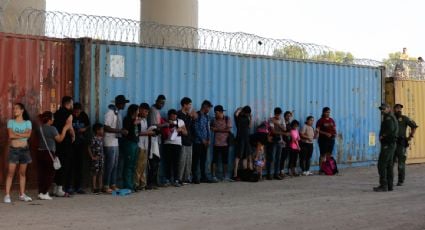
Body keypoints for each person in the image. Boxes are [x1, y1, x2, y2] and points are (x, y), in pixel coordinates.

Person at [37, 111, 72, 200]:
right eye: (52, 118)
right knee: (50, 174)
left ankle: (41, 192)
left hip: (40, 153)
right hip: (49, 153)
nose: (54, 119)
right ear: (49, 120)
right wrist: (65, 129)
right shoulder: (52, 129)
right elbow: (59, 139)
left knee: (42, 174)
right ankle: (44, 193)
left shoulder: (39, 128)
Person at [4, 103, 33, 203]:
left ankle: (22, 194)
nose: (14, 110)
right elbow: (11, 135)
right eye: (14, 108)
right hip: (14, 150)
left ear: (22, 110)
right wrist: (22, 135)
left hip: (24, 150)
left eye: (17, 108)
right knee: (10, 173)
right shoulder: (11, 122)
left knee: (22, 174)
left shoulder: (27, 122)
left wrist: (17, 134)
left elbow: (28, 135)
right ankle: (7, 195)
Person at [103, 95, 129, 193]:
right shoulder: (110, 113)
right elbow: (106, 127)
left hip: (115, 141)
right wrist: (120, 131)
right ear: (120, 104)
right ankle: (106, 185)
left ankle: (113, 184)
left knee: (115, 164)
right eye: (124, 103)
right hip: (109, 141)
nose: (125, 105)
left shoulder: (117, 113)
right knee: (110, 165)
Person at [53, 96, 76, 197]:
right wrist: (73, 135)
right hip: (65, 142)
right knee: (64, 165)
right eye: (72, 103)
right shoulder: (69, 114)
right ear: (69, 103)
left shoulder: (56, 113)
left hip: (57, 141)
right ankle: (60, 189)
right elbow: (69, 127)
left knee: (57, 164)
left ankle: (54, 188)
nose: (72, 105)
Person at [374, 103, 398, 192]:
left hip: (388, 144)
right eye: (381, 109)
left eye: (384, 109)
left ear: (388, 108)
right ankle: (389, 186)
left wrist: (383, 135)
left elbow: (390, 129)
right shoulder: (391, 117)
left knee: (382, 164)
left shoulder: (388, 118)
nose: (382, 111)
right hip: (391, 144)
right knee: (389, 165)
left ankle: (383, 185)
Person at [393, 104, 418, 186]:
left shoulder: (404, 118)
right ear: (394, 109)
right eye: (397, 108)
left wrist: (410, 136)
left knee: (401, 163)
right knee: (390, 163)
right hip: (392, 143)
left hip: (401, 143)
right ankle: (389, 180)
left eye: (400, 108)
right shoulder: (391, 118)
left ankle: (400, 180)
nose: (399, 110)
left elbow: (414, 126)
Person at [163, 109, 187, 186]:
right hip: (168, 143)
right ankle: (168, 179)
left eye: (175, 116)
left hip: (177, 144)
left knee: (176, 162)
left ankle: (176, 179)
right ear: (169, 116)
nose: (173, 117)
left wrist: (181, 130)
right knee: (168, 162)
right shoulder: (165, 121)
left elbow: (186, 133)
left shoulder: (180, 121)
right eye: (172, 116)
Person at [134, 103, 155, 191]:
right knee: (138, 166)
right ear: (141, 110)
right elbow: (137, 133)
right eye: (145, 111)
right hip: (139, 145)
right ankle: (136, 184)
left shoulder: (145, 120)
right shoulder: (137, 120)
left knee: (143, 166)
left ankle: (142, 184)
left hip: (145, 145)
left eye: (147, 112)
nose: (146, 114)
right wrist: (148, 133)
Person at [71, 102, 90, 194]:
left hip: (81, 143)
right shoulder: (70, 115)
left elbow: (88, 125)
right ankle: (70, 186)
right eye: (75, 112)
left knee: (80, 166)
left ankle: (78, 187)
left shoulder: (84, 116)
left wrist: (84, 129)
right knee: (71, 166)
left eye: (78, 112)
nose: (76, 114)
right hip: (71, 144)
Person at [177, 97, 197, 184]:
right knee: (182, 160)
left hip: (189, 140)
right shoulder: (178, 114)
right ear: (184, 105)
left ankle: (186, 178)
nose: (190, 106)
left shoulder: (189, 116)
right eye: (189, 104)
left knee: (189, 161)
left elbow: (191, 128)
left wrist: (192, 118)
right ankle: (179, 178)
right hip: (181, 141)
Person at [210, 105, 232, 182]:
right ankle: (213, 176)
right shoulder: (213, 120)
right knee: (214, 160)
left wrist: (217, 129)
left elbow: (228, 130)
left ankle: (225, 176)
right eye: (215, 113)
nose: (215, 114)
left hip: (225, 143)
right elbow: (211, 128)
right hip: (216, 143)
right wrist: (221, 129)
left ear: (221, 112)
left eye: (216, 113)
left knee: (225, 161)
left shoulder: (227, 119)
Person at [192, 100, 213, 183]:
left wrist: (208, 139)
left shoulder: (206, 117)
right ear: (205, 107)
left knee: (203, 160)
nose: (209, 109)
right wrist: (202, 139)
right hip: (198, 142)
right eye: (209, 108)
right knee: (196, 160)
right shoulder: (198, 115)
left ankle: (203, 176)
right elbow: (196, 129)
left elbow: (208, 129)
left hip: (205, 143)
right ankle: (195, 177)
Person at [122, 104, 140, 191]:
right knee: (128, 164)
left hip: (136, 142)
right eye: (137, 110)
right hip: (129, 143)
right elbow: (126, 131)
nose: (138, 112)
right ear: (133, 111)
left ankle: (132, 183)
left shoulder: (137, 120)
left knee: (133, 164)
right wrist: (133, 123)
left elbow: (138, 132)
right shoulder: (127, 119)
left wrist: (137, 123)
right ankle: (127, 184)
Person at [232, 106, 253, 181]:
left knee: (245, 156)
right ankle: (235, 174)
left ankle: (245, 174)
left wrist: (251, 117)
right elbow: (235, 113)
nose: (248, 115)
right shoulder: (238, 117)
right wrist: (239, 109)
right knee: (238, 156)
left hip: (246, 138)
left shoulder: (247, 117)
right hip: (240, 138)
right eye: (248, 113)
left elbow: (250, 126)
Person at [266, 107, 285, 180]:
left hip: (279, 140)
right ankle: (268, 174)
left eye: (279, 115)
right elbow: (273, 131)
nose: (278, 116)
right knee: (271, 158)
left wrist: (277, 123)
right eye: (276, 115)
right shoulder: (271, 119)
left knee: (278, 158)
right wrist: (282, 131)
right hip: (272, 140)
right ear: (274, 113)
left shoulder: (282, 119)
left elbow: (284, 129)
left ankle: (276, 174)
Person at [316, 107, 336, 172]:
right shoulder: (320, 120)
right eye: (327, 112)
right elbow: (317, 130)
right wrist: (325, 133)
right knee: (322, 154)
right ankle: (321, 169)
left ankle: (328, 168)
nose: (328, 113)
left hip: (331, 139)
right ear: (323, 112)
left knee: (329, 154)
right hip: (323, 140)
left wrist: (335, 133)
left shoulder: (331, 120)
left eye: (329, 112)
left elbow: (334, 128)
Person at [88, 123, 105, 194]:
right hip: (95, 159)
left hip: (101, 159)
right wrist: (92, 156)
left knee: (100, 173)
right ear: (97, 131)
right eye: (102, 130)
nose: (103, 131)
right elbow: (88, 147)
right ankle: (94, 188)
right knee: (95, 173)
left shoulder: (101, 139)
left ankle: (100, 187)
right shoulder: (94, 139)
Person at [280, 111, 292, 177]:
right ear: (284, 116)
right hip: (283, 141)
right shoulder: (282, 123)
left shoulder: (289, 123)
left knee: (286, 156)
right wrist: (281, 140)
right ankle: (281, 171)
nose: (289, 117)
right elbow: (280, 132)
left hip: (288, 141)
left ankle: (284, 171)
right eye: (287, 116)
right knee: (282, 157)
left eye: (289, 116)